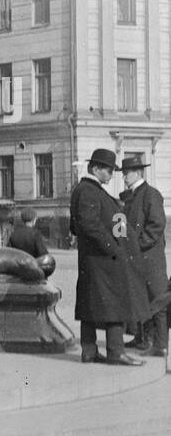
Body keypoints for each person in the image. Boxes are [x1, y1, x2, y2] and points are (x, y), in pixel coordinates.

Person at [68, 148, 147, 366]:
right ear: (95, 169)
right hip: (103, 261)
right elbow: (88, 225)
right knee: (115, 304)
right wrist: (113, 248)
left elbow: (75, 227)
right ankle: (115, 352)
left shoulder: (85, 190)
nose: (112, 174)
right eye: (109, 170)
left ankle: (90, 351)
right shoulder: (90, 191)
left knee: (90, 304)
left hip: (92, 260)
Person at [118, 154, 167, 357]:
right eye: (123, 173)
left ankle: (160, 344)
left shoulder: (151, 194)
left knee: (157, 299)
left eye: (127, 173)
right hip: (137, 257)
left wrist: (136, 246)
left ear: (138, 173)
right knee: (139, 298)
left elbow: (156, 225)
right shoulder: (130, 196)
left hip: (150, 258)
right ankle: (142, 338)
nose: (124, 177)